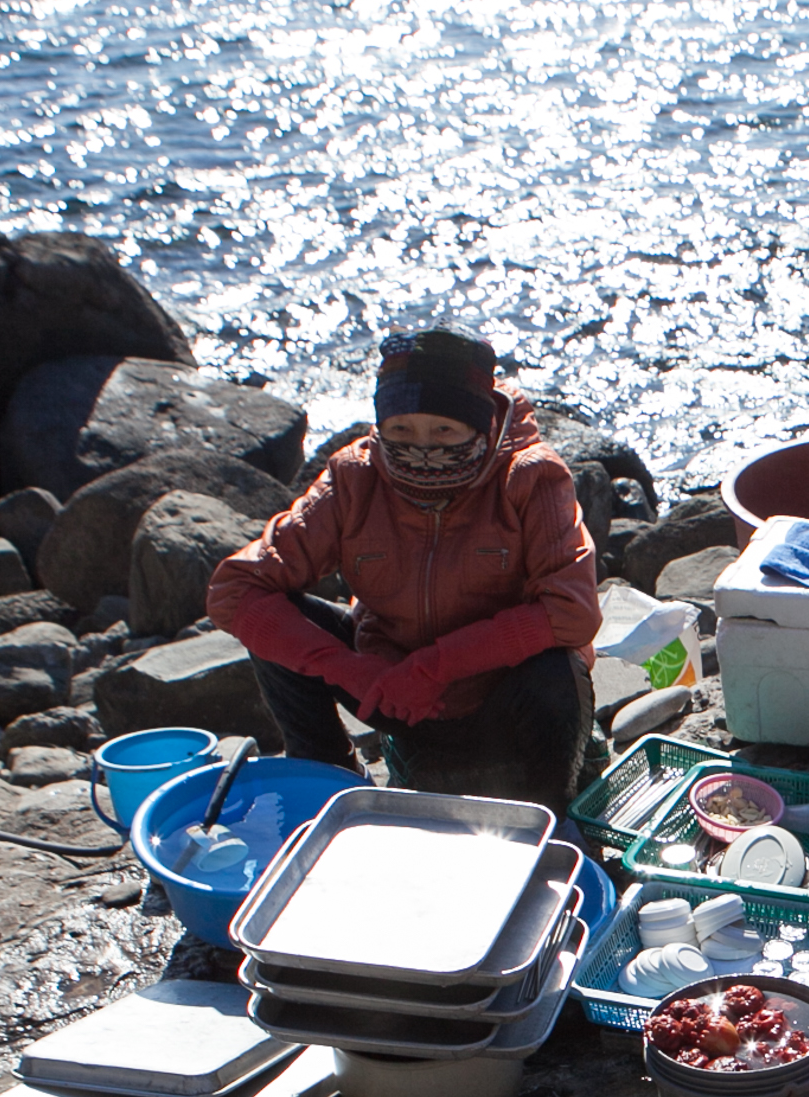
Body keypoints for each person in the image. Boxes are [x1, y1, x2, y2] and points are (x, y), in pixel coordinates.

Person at [207, 327, 601, 806]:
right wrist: (356, 673)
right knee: (272, 621)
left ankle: (549, 810)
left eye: (444, 431)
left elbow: (573, 611)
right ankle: (330, 780)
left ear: (478, 426)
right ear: (381, 425)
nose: (422, 448)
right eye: (401, 431)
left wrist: (433, 669)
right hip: (391, 692)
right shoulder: (353, 478)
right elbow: (234, 589)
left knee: (558, 669)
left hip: (500, 695)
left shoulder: (531, 476)